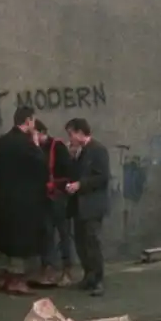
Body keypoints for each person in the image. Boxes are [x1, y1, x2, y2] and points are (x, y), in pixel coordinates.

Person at [0, 106, 49, 295]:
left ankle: (6, 279)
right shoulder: (26, 145)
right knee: (20, 242)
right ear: (28, 121)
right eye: (33, 121)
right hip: (23, 202)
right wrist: (37, 144)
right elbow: (43, 168)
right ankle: (16, 281)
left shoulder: (2, 142)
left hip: (3, 199)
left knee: (5, 241)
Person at [64, 118, 111, 297]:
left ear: (80, 132)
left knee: (92, 242)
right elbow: (75, 173)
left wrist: (80, 185)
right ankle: (88, 275)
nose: (70, 139)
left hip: (92, 205)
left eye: (71, 134)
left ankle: (98, 279)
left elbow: (102, 177)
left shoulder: (98, 150)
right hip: (79, 205)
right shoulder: (80, 152)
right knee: (81, 242)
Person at [33, 120, 74, 287]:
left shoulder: (57, 146)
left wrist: (58, 185)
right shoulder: (35, 149)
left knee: (64, 233)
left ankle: (67, 270)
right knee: (46, 232)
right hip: (44, 198)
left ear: (42, 132)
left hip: (59, 196)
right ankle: (48, 268)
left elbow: (68, 171)